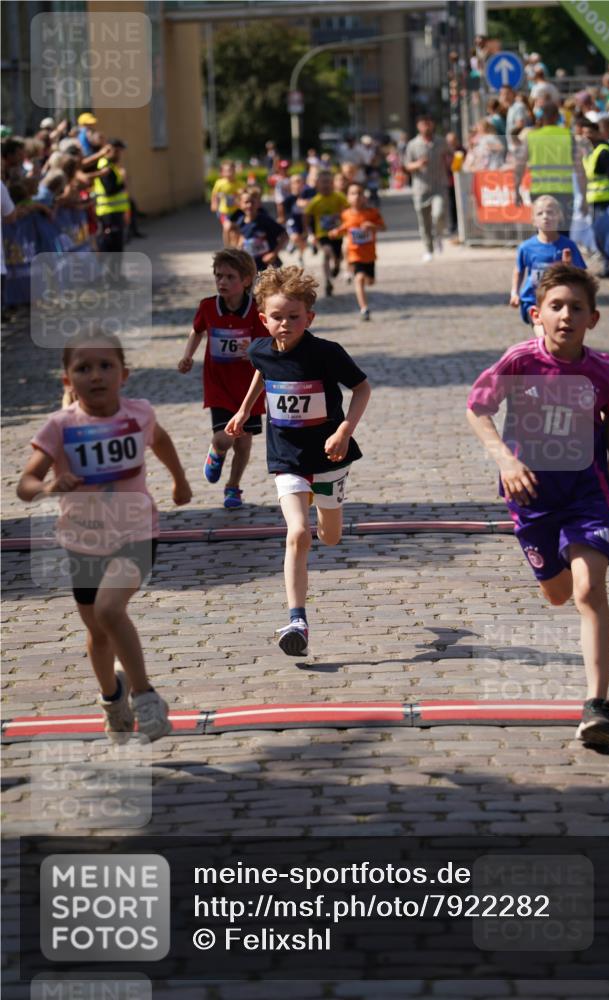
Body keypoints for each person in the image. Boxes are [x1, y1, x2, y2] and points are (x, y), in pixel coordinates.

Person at [467, 263, 609, 748]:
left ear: (593, 319)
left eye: (576, 308)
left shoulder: (604, 370)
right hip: (531, 499)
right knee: (558, 594)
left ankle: (597, 706)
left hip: (588, 495)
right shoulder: (519, 361)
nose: (566, 316)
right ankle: (555, 570)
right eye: (556, 307)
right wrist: (504, 461)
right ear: (537, 314)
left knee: (588, 592)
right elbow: (478, 408)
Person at [17, 331, 192, 741]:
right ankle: (113, 699)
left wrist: (179, 482)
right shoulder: (60, 426)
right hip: (82, 541)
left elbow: (162, 440)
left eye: (105, 366)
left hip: (136, 533)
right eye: (83, 368)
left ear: (124, 374)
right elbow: (25, 481)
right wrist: (46, 488)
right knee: (97, 633)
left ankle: (147, 698)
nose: (95, 375)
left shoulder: (139, 415)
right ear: (67, 380)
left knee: (111, 610)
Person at [225, 266, 371, 656]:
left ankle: (324, 508)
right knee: (297, 534)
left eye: (294, 317)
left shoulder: (326, 353)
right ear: (263, 319)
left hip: (329, 457)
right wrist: (243, 411)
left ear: (310, 317)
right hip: (287, 457)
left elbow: (361, 388)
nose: (285, 324)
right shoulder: (259, 348)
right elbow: (261, 372)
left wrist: (344, 431)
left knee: (330, 536)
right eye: (277, 317)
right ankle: (297, 620)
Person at [177, 249, 267, 509]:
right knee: (224, 438)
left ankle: (233, 487)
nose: (222, 282)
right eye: (218, 276)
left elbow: (265, 343)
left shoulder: (255, 311)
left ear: (247, 280)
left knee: (244, 442)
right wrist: (187, 356)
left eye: (230, 277)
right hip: (218, 384)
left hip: (248, 387)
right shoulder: (208, 306)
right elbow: (196, 332)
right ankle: (216, 451)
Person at [510, 195, 586, 329]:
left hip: (559, 303)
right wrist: (514, 292)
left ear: (559, 217)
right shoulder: (526, 247)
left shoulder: (568, 246)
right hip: (532, 301)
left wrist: (569, 268)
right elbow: (519, 270)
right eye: (540, 213)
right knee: (542, 333)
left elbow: (582, 275)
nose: (545, 216)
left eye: (550, 212)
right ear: (533, 220)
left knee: (556, 339)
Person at [514, 103, 586, 235]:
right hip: (564, 193)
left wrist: (516, 189)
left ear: (541, 117)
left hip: (539, 192)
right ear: (557, 117)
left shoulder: (531, 137)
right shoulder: (568, 136)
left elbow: (519, 165)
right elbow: (579, 169)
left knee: (543, 235)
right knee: (563, 236)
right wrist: (584, 197)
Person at [329, 181, 386, 321]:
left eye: (360, 193)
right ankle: (364, 308)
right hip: (355, 254)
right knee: (359, 278)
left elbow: (383, 227)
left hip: (370, 255)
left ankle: (366, 284)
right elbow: (345, 227)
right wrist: (336, 232)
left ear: (365, 197)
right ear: (348, 197)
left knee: (370, 282)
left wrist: (372, 226)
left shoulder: (372, 212)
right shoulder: (346, 214)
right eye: (353, 193)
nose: (357, 196)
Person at [581, 118, 609, 278]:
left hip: (606, 201)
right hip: (595, 200)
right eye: (584, 133)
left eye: (590, 132)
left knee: (603, 233)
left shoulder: (603, 151)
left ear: (597, 133)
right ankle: (608, 264)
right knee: (599, 234)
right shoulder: (590, 153)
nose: (587, 136)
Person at [404, 113, 449, 261]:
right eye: (423, 123)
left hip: (439, 186)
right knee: (424, 222)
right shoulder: (413, 144)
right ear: (418, 126)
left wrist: (450, 160)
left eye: (429, 123)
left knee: (439, 214)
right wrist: (417, 164)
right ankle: (428, 249)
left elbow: (451, 157)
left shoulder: (441, 142)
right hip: (421, 188)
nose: (427, 126)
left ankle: (439, 237)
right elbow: (406, 165)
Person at [93, 138, 130, 285]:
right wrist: (123, 180)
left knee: (117, 247)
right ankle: (110, 278)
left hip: (115, 212)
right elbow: (110, 190)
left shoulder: (112, 166)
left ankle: (115, 277)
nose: (120, 154)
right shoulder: (105, 166)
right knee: (111, 247)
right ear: (111, 150)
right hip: (109, 213)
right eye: (118, 151)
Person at [305, 171, 348, 296]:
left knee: (338, 257)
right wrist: (309, 233)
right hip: (322, 234)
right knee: (326, 252)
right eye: (323, 182)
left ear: (333, 184)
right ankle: (328, 280)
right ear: (317, 184)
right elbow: (306, 217)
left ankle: (337, 266)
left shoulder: (339, 197)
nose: (326, 185)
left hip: (338, 233)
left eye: (328, 182)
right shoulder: (315, 201)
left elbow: (348, 208)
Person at [228, 186, 287, 273]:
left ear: (258, 203)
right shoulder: (239, 223)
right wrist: (238, 246)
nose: (249, 205)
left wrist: (274, 253)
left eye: (252, 202)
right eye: (246, 202)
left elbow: (284, 235)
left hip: (269, 267)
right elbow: (237, 240)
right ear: (240, 204)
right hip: (250, 267)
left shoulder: (265, 220)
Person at [210, 159, 242, 245]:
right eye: (227, 171)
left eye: (232, 170)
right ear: (222, 173)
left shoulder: (240, 184)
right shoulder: (219, 183)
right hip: (224, 211)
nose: (230, 173)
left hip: (236, 211)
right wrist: (214, 204)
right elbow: (214, 194)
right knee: (227, 227)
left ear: (235, 171)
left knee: (235, 231)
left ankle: (236, 247)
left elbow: (243, 196)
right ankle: (227, 248)